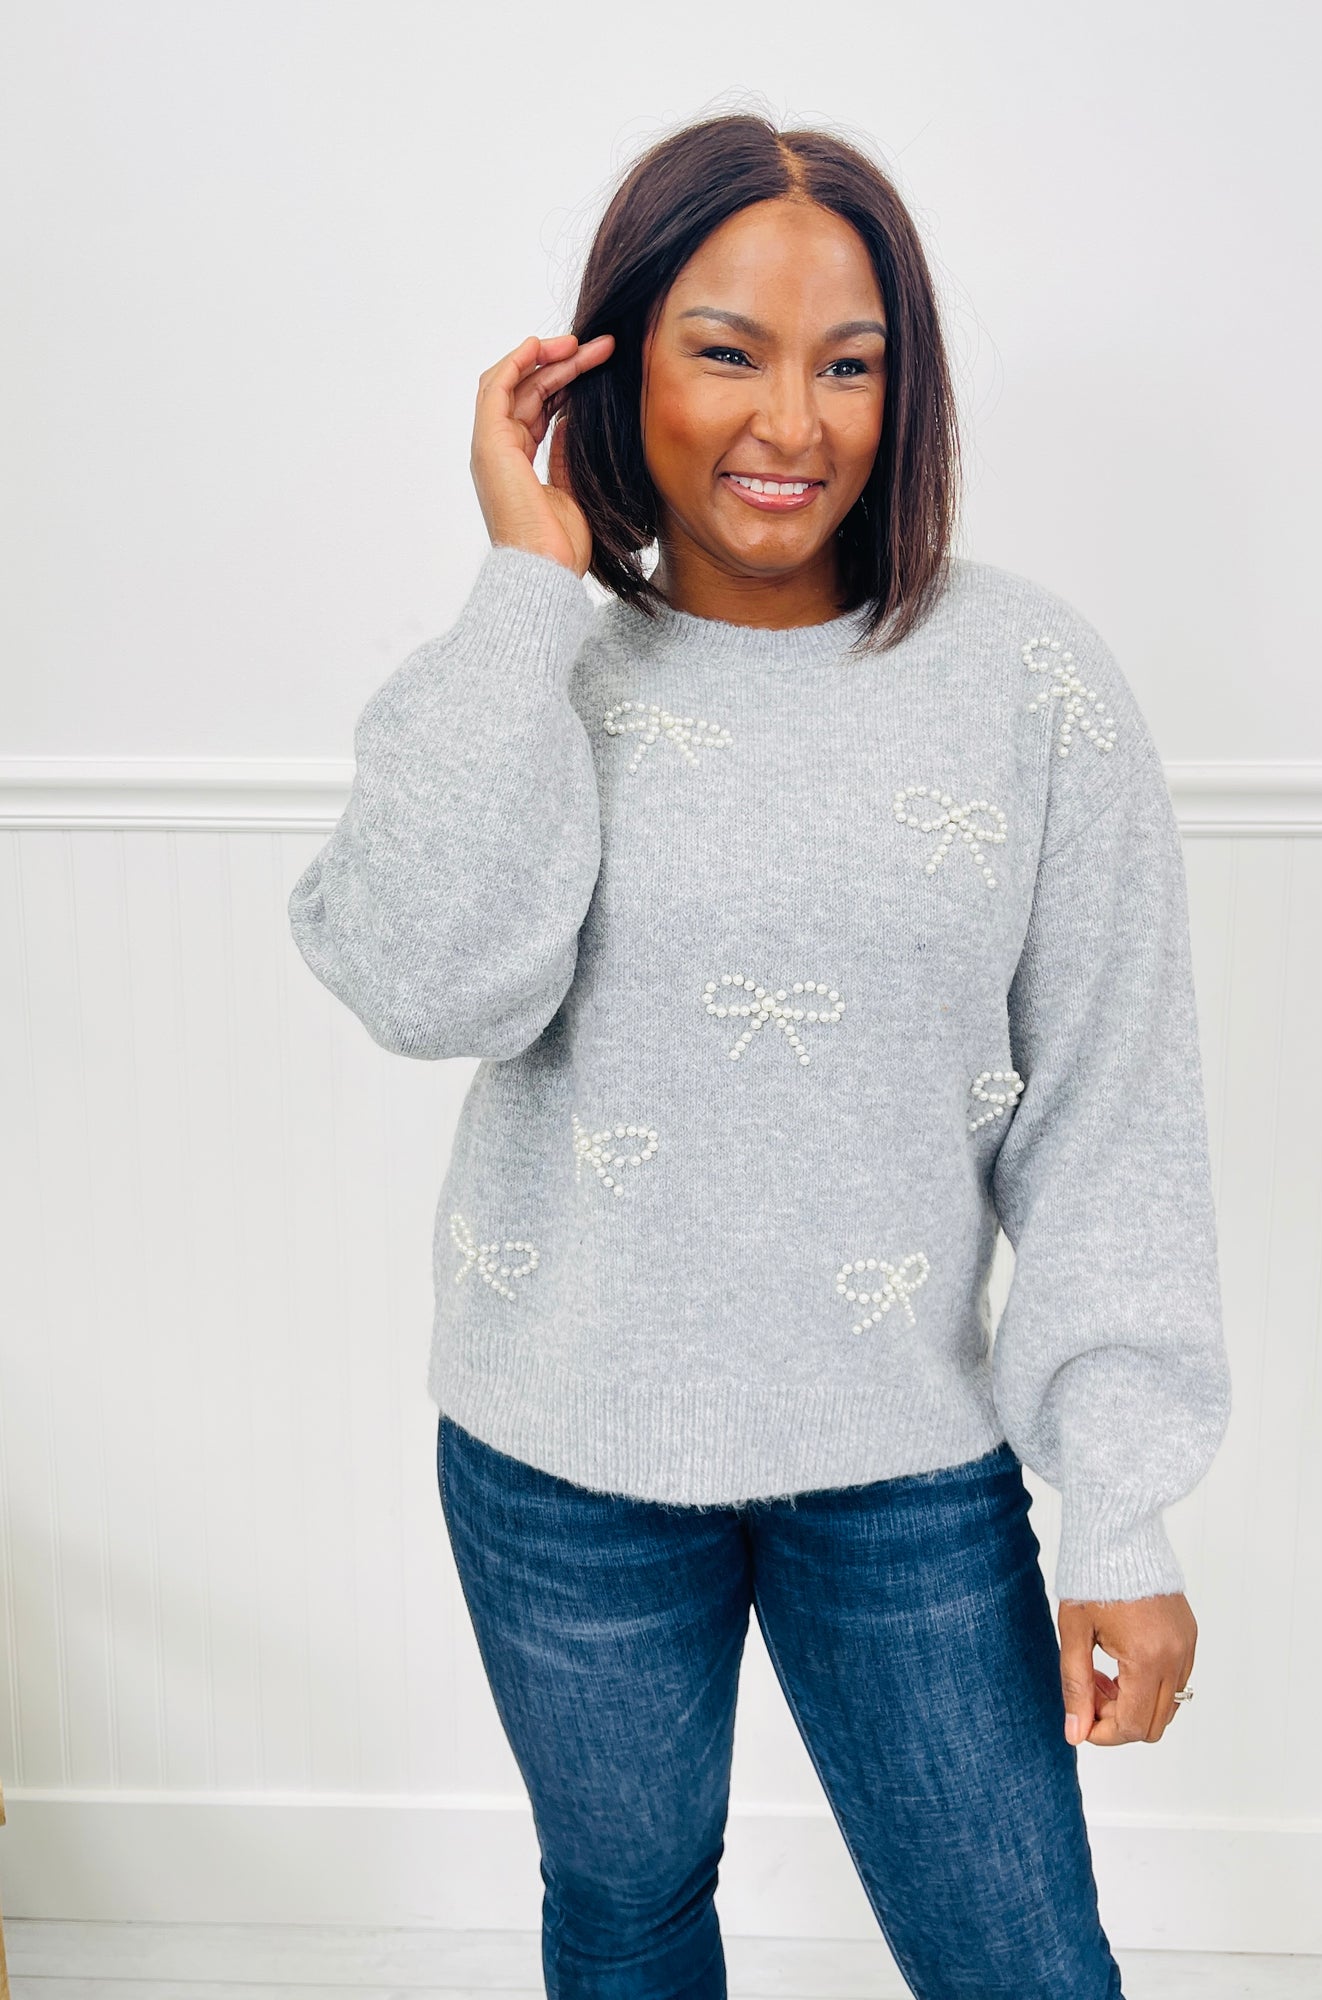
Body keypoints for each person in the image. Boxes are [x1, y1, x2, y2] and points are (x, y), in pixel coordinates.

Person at [288, 111, 1231, 2000]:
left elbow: (1109, 1120)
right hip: (561, 1453)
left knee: (1022, 1960)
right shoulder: (527, 669)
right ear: (613, 365)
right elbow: (425, 987)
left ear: (907, 388)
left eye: (849, 366)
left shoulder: (1029, 683)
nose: (792, 423)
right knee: (629, 1918)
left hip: (902, 1461)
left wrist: (1119, 1508)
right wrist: (524, 582)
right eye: (727, 352)